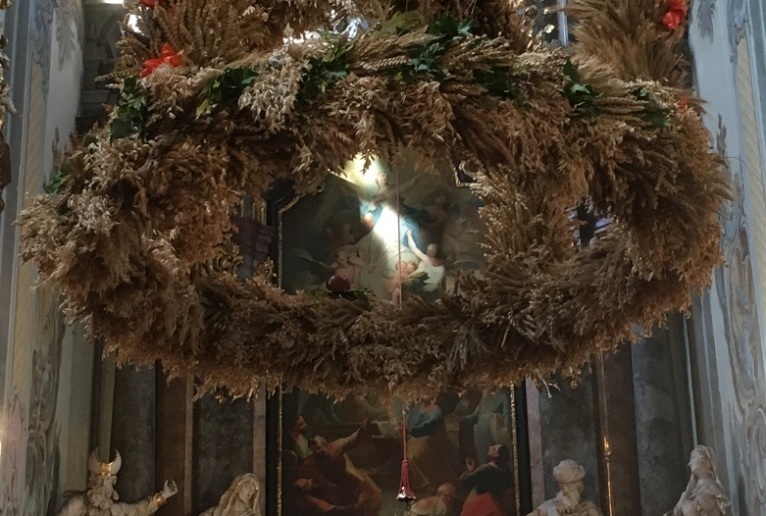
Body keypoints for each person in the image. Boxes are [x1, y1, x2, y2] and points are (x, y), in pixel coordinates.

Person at [56, 450, 177, 516]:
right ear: (92, 482)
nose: (103, 487)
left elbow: (140, 510)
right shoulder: (77, 504)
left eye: (107, 483)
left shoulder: (116, 511)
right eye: (100, 482)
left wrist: (163, 496)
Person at [303, 420, 382, 515]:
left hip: (356, 482)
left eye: (319, 448)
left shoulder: (337, 446)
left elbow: (353, 439)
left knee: (370, 505)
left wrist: (364, 428)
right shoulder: (311, 463)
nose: (318, 452)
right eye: (315, 451)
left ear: (324, 444)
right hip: (339, 492)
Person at [405, 399, 459, 497]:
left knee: (419, 453)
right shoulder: (416, 409)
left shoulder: (436, 410)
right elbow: (409, 422)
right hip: (416, 439)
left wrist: (411, 430)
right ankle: (425, 482)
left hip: (432, 440)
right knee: (412, 452)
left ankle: (434, 483)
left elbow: (429, 427)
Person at [667, 445, 731, 516]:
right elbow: (676, 512)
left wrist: (685, 502)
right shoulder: (693, 488)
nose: (689, 463)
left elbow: (693, 510)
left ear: (706, 462)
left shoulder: (711, 487)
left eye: (693, 458)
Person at [526, 460, 601, 516]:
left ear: (579, 486)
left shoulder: (589, 509)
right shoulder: (550, 506)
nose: (566, 490)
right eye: (563, 486)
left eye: (571, 485)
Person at [460, 444, 515, 516]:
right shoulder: (507, 472)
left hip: (480, 505)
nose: (490, 447)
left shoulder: (486, 469)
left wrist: (470, 470)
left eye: (494, 448)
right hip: (494, 506)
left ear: (496, 455)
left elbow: (464, 481)